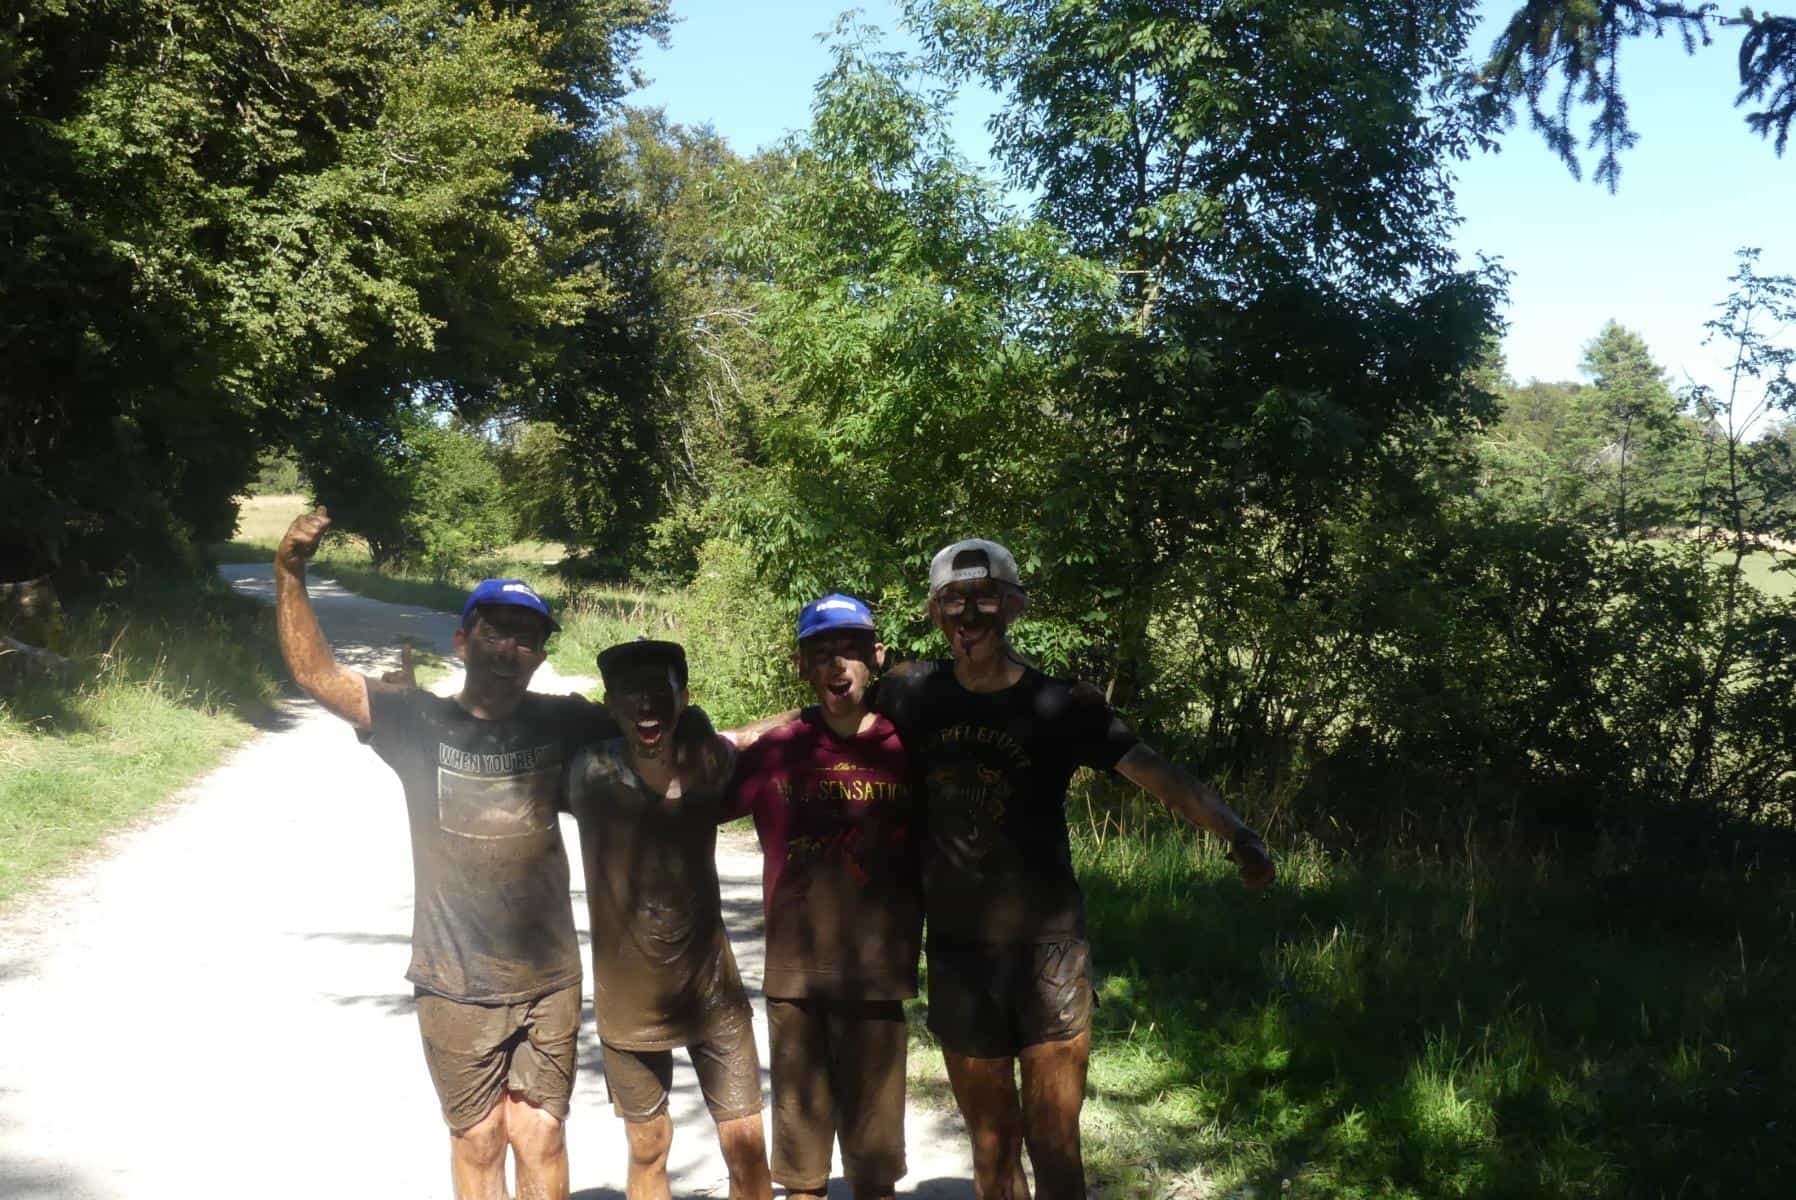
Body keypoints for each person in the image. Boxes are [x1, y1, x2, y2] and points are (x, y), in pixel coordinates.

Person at [872, 538, 1277, 1200]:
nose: (968, 616)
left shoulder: (1060, 706)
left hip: (1050, 955)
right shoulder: (910, 693)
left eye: (984, 599)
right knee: (991, 1145)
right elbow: (820, 728)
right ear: (935, 612)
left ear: (1014, 606)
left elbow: (1156, 772)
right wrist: (721, 746)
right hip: (957, 951)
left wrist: (1237, 833)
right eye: (953, 600)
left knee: (1055, 1141)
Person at [274, 506, 612, 1200]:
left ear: (540, 656)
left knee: (541, 1134)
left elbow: (658, 735)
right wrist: (289, 571)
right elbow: (316, 674)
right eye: (495, 632)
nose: (509, 650)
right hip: (453, 979)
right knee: (479, 1139)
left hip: (549, 975)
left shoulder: (566, 722)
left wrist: (796, 730)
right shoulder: (417, 721)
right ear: (462, 641)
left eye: (527, 639)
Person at [726, 594, 922, 1200]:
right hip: (797, 980)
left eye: (852, 650)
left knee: (875, 1173)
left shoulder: (910, 748)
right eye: (821, 653)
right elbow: (693, 800)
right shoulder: (777, 749)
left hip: (878, 978)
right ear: (801, 665)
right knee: (802, 1176)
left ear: (876, 656)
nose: (838, 665)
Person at [566, 639, 772, 1200]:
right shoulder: (587, 772)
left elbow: (748, 737)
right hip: (628, 1005)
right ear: (610, 704)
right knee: (649, 1147)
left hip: (713, 996)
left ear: (682, 698)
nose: (645, 705)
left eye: (659, 691)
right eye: (629, 693)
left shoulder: (709, 764)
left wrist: (804, 714)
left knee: (746, 1147)